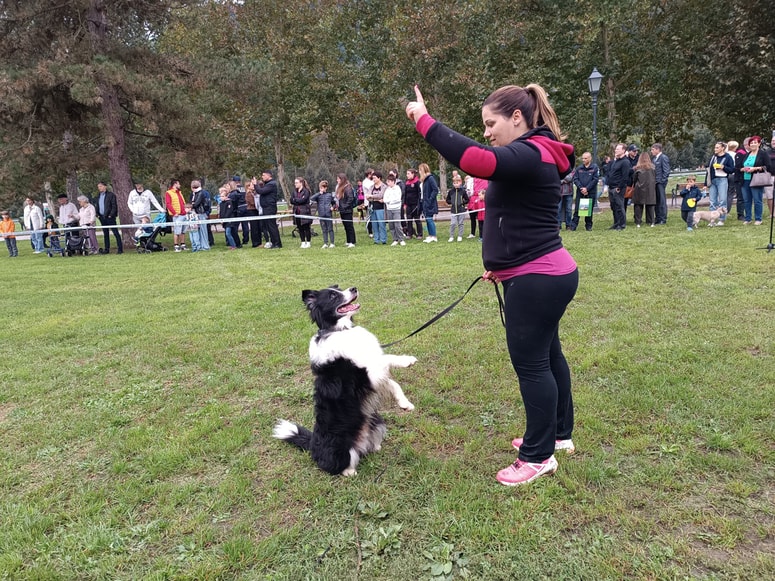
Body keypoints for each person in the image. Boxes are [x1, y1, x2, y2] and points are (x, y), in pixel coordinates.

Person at [406, 83, 578, 486]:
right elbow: (518, 218)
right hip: (542, 273)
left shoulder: (530, 152)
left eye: (490, 123)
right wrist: (502, 264)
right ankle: (558, 435)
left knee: (533, 365)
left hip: (537, 278)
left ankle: (538, 456)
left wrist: (424, 121)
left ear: (517, 117)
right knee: (548, 356)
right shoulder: (535, 153)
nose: (486, 132)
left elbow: (475, 159)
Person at [740, 135, 773, 225]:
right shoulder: (747, 154)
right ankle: (748, 218)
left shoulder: (763, 154)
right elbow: (741, 166)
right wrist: (743, 169)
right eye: (751, 143)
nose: (753, 144)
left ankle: (758, 218)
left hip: (756, 179)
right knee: (747, 200)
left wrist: (755, 168)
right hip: (745, 179)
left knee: (757, 200)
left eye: (755, 142)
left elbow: (768, 166)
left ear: (759, 144)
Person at [706, 142, 735, 226]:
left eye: (717, 147)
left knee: (722, 200)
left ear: (722, 148)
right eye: (715, 147)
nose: (715, 149)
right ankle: (712, 220)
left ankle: (721, 219)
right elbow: (708, 170)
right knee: (712, 200)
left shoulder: (727, 157)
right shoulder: (713, 157)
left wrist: (723, 167)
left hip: (722, 179)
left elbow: (732, 169)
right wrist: (706, 183)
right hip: (713, 180)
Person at [606, 144, 632, 230]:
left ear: (623, 150)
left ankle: (622, 224)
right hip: (611, 187)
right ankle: (616, 223)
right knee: (613, 207)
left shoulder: (625, 162)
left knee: (620, 206)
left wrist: (619, 187)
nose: (616, 150)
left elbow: (625, 176)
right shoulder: (615, 161)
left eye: (618, 149)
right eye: (616, 149)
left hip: (618, 188)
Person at [571, 151, 598, 231]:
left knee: (589, 210)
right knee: (577, 209)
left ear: (590, 158)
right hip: (580, 192)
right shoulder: (579, 168)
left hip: (590, 192)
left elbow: (595, 179)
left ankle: (588, 226)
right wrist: (581, 188)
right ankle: (573, 226)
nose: (583, 160)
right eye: (582, 158)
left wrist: (587, 188)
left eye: (585, 158)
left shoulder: (594, 168)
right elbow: (575, 179)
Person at [255, 170, 282, 249]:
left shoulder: (271, 184)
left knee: (272, 226)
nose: (262, 177)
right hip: (266, 208)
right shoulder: (267, 184)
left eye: (263, 175)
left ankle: (277, 243)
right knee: (269, 227)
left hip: (270, 207)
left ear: (268, 175)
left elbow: (261, 191)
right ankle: (273, 242)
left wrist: (255, 184)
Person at [95, 181, 123, 254]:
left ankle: (120, 249)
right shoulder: (98, 196)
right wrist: (97, 215)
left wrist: (111, 215)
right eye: (98, 187)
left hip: (110, 217)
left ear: (105, 186)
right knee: (105, 233)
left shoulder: (111, 195)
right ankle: (106, 249)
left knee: (115, 232)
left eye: (100, 186)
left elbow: (114, 206)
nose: (99, 188)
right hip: (102, 217)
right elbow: (97, 206)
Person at [631, 152, 657, 228]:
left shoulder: (637, 168)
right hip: (650, 189)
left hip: (639, 188)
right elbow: (655, 178)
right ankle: (651, 221)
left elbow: (634, 179)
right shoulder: (653, 168)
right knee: (650, 205)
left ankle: (638, 222)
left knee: (638, 205)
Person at [311, 180, 337, 248]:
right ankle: (325, 243)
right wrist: (319, 193)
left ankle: (332, 243)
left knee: (330, 229)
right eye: (321, 188)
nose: (322, 189)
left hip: (328, 214)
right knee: (324, 229)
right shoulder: (318, 196)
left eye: (323, 188)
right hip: (321, 215)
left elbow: (334, 203)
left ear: (326, 188)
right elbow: (312, 198)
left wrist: (333, 207)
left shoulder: (329, 195)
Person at [165, 179, 187, 251]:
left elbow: (183, 203)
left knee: (183, 231)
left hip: (183, 214)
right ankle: (176, 246)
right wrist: (174, 213)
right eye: (178, 184)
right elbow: (168, 204)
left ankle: (183, 245)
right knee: (177, 231)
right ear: (175, 184)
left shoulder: (179, 192)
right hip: (177, 215)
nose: (180, 185)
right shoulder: (169, 193)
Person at [418, 163, 439, 242]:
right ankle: (430, 235)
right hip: (424, 202)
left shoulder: (430, 178)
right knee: (427, 219)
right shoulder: (424, 180)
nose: (419, 172)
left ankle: (434, 235)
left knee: (429, 219)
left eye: (420, 170)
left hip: (429, 202)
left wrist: (430, 199)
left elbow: (435, 190)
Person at [651, 143, 670, 225]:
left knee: (662, 201)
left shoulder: (663, 158)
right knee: (656, 201)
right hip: (654, 182)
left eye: (653, 149)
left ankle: (663, 218)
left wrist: (662, 181)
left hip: (660, 183)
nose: (651, 151)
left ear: (657, 149)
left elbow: (666, 170)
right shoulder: (654, 159)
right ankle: (657, 217)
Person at [335, 173, 357, 248]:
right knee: (346, 226)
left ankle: (352, 241)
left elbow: (350, 199)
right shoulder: (340, 188)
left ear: (342, 179)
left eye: (338, 179)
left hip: (347, 210)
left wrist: (344, 206)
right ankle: (348, 240)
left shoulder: (348, 188)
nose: (337, 180)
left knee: (349, 226)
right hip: (342, 210)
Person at [290, 177, 313, 248]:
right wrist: (297, 200)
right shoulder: (294, 191)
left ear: (301, 183)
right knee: (300, 228)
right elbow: (291, 200)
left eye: (296, 183)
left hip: (305, 212)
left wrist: (296, 200)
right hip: (297, 212)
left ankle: (308, 242)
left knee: (306, 228)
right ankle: (303, 242)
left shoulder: (306, 191)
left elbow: (303, 200)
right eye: (295, 183)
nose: (295, 184)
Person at [384, 174, 406, 246]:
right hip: (389, 209)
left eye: (389, 181)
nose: (388, 183)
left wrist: (390, 201)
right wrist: (389, 201)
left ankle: (401, 239)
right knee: (391, 225)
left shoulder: (397, 188)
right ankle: (395, 239)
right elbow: (385, 199)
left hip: (396, 209)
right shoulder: (387, 190)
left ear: (393, 181)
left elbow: (398, 199)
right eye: (387, 181)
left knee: (397, 225)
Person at [446, 174, 469, 241]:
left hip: (461, 210)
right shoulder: (451, 191)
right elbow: (447, 200)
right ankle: (451, 236)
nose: (456, 184)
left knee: (460, 223)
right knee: (453, 224)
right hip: (453, 211)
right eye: (454, 183)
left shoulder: (463, 191)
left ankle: (460, 236)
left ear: (460, 182)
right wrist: (451, 202)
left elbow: (467, 200)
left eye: (457, 183)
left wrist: (462, 202)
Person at [367, 171, 387, 244]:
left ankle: (383, 239)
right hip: (372, 208)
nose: (373, 179)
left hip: (381, 208)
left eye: (375, 178)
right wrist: (375, 198)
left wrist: (372, 196)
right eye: (373, 178)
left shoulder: (384, 186)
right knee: (374, 225)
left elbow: (381, 195)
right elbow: (367, 197)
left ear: (379, 178)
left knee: (381, 224)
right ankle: (376, 240)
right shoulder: (371, 187)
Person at [190, 180, 211, 250]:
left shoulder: (201, 193)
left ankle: (205, 246)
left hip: (201, 213)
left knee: (203, 231)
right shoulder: (194, 194)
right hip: (196, 213)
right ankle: (200, 245)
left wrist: (191, 206)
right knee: (198, 230)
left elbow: (196, 204)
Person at [733, 138, 750, 220]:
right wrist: (742, 169)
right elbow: (737, 167)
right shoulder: (740, 153)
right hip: (740, 178)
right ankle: (740, 214)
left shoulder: (751, 153)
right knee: (741, 197)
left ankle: (748, 213)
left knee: (748, 197)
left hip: (748, 177)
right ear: (746, 144)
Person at [403, 168, 423, 239]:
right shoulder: (407, 183)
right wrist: (404, 204)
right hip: (408, 204)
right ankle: (410, 233)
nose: (407, 175)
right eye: (407, 174)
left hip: (415, 204)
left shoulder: (417, 182)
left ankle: (420, 234)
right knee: (409, 219)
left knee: (417, 219)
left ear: (413, 174)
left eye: (408, 174)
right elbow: (405, 194)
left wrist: (419, 203)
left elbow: (419, 194)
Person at [726, 140, 741, 217]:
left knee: (724, 193)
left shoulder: (725, 154)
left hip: (725, 175)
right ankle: (727, 210)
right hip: (732, 175)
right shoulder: (735, 155)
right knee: (730, 193)